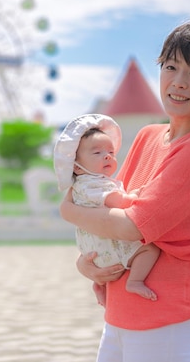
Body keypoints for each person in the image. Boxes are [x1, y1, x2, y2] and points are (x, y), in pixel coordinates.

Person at [60, 20, 190, 362]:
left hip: (168, 319)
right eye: (171, 67)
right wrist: (87, 265)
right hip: (120, 315)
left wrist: (66, 211)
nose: (178, 82)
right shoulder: (147, 136)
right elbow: (100, 206)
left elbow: (131, 225)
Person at [53, 114, 160, 306]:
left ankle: (99, 286)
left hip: (94, 251)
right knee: (149, 250)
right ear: (76, 167)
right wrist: (134, 197)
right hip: (108, 248)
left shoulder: (83, 185)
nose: (107, 156)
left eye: (111, 152)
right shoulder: (91, 183)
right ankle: (135, 281)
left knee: (108, 262)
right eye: (97, 153)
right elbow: (116, 201)